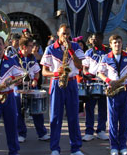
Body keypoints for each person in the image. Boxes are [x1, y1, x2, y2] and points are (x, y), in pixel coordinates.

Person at [41, 24, 86, 155]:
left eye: (67, 34)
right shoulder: (50, 49)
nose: (65, 36)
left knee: (73, 117)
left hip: (71, 83)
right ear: (58, 34)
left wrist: (71, 50)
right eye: (63, 34)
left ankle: (76, 148)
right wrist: (56, 73)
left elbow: (80, 66)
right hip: (56, 83)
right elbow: (44, 71)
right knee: (55, 117)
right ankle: (55, 148)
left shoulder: (76, 46)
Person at [97, 34, 127, 155]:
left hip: (125, 90)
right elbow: (100, 73)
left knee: (124, 119)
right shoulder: (106, 58)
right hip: (113, 90)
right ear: (110, 45)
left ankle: (123, 146)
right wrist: (109, 81)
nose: (117, 45)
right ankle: (114, 146)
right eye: (114, 43)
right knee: (113, 120)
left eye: (119, 42)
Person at [16, 36, 50, 142]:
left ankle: (42, 133)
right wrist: (16, 81)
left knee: (37, 108)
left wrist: (35, 79)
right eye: (30, 46)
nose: (33, 48)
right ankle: (21, 133)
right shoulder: (14, 58)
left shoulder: (32, 58)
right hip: (18, 86)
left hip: (31, 85)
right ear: (24, 47)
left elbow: (37, 72)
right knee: (18, 107)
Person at [83, 32, 110, 141]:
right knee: (90, 107)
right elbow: (85, 68)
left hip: (104, 81)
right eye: (92, 39)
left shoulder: (108, 52)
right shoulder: (89, 52)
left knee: (103, 107)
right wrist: (86, 74)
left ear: (101, 39)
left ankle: (101, 130)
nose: (93, 41)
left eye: (95, 39)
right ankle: (89, 131)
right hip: (92, 81)